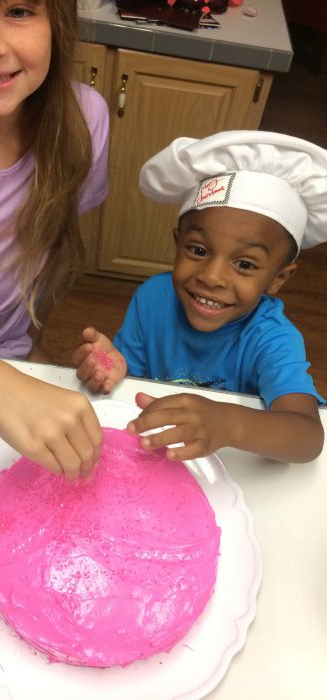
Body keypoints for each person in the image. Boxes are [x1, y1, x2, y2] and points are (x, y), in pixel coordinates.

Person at [0, 0, 110, 479]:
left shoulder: (83, 120)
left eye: (20, 11)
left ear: (60, 22)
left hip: (9, 367)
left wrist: (30, 352)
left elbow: (49, 255)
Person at [73, 131, 326, 464]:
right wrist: (114, 369)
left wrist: (229, 423)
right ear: (178, 243)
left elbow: (307, 438)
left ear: (278, 279)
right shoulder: (153, 298)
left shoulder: (272, 339)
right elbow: (131, 377)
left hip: (233, 465)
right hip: (160, 457)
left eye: (245, 264)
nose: (211, 276)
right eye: (198, 250)